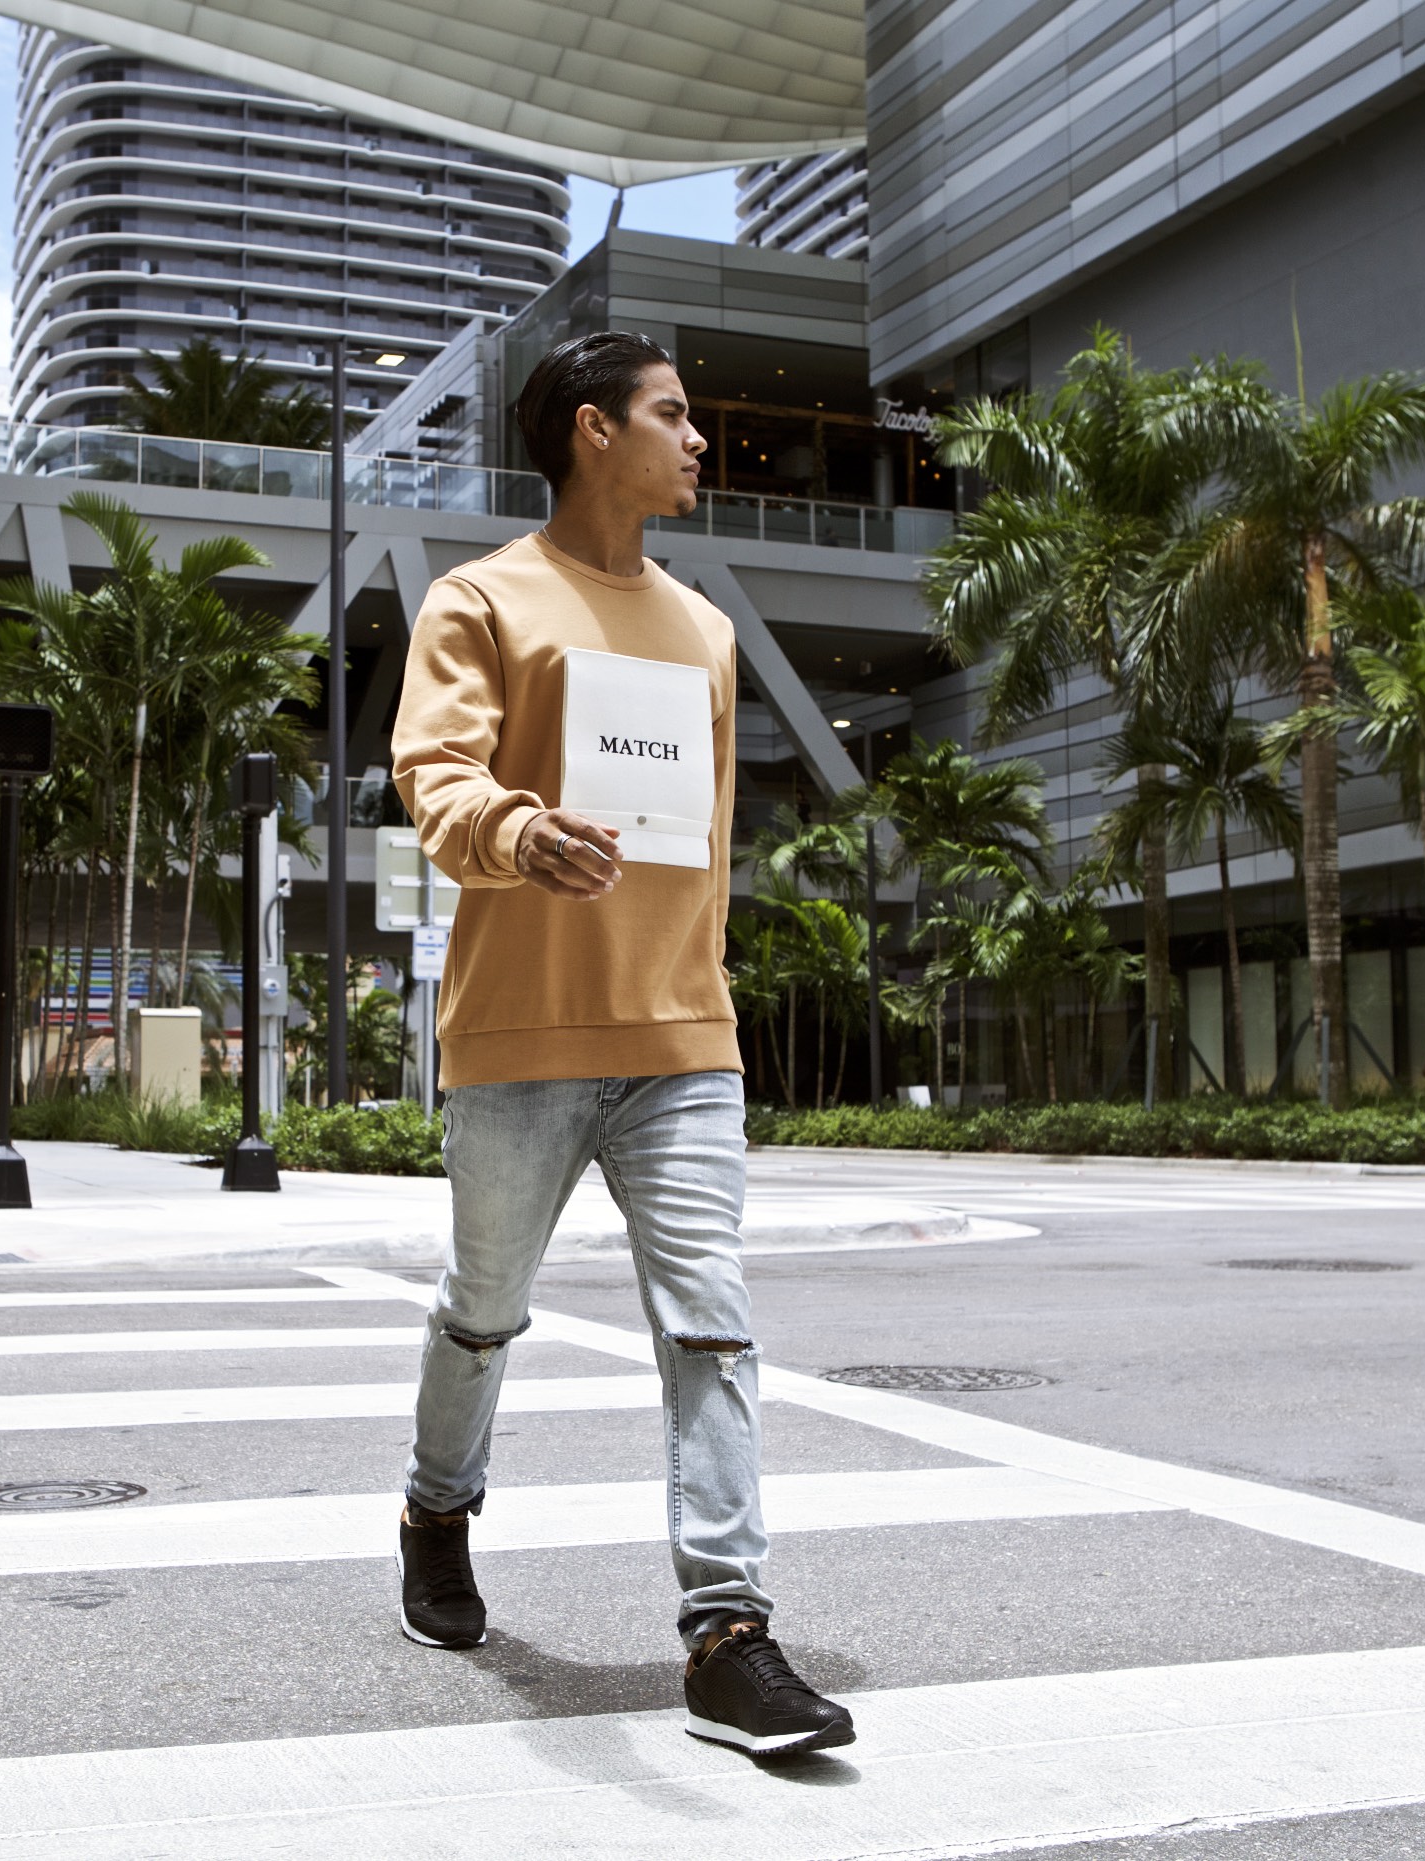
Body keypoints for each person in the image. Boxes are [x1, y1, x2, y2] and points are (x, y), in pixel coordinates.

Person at [386, 330, 854, 1759]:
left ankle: (727, 1634)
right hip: (519, 1035)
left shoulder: (705, 631)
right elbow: (434, 775)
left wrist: (701, 998)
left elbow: (700, 855)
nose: (699, 441)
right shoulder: (480, 603)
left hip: (678, 1042)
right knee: (482, 1309)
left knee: (711, 1323)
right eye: (673, 415)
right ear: (593, 431)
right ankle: (435, 1512)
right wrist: (519, 833)